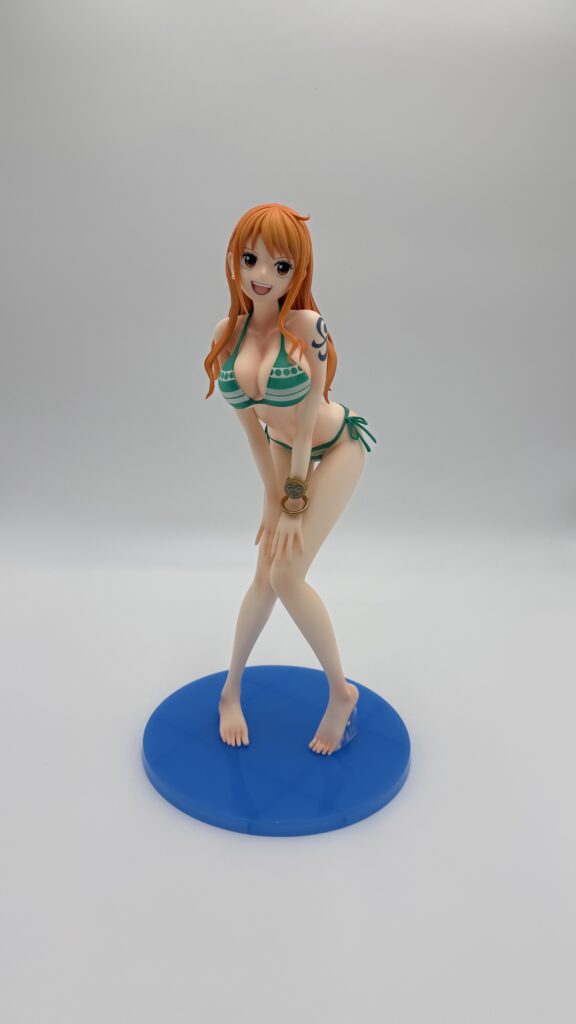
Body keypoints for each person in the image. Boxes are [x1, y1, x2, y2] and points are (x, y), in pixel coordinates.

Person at [203, 203, 377, 755]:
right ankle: (231, 690)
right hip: (280, 450)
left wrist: (293, 504)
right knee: (264, 574)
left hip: (336, 443)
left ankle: (341, 692)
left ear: (296, 273)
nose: (262, 275)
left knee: (286, 574)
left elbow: (304, 427)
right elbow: (256, 433)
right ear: (234, 259)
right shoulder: (226, 336)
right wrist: (269, 498)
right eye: (250, 259)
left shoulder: (307, 328)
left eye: (280, 267)